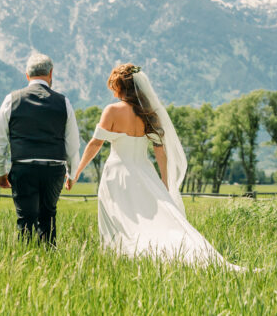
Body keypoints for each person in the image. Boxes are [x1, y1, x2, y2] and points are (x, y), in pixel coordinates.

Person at [72, 63, 242, 269]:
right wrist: (164, 182)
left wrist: (77, 172)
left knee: (119, 217)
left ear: (119, 86)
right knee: (155, 219)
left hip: (118, 174)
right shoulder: (149, 114)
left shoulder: (112, 111)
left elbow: (95, 144)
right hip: (145, 173)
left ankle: (121, 258)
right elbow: (160, 152)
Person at [0, 53, 81, 246]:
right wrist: (72, 174)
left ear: (27, 75)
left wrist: (0, 172)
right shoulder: (63, 102)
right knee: (48, 217)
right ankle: (48, 262)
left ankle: (25, 262)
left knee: (25, 219)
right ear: (51, 74)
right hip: (54, 168)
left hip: (23, 168)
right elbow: (72, 143)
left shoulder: (11, 100)